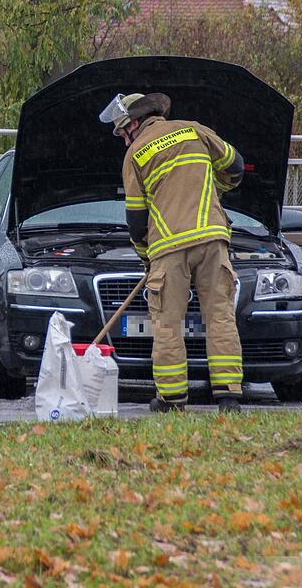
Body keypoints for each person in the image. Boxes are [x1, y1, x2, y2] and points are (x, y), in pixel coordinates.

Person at [101, 92, 246, 413]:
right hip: (212, 238)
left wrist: (146, 259)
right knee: (220, 316)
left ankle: (171, 400)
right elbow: (235, 165)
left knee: (167, 324)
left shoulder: (135, 155)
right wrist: (217, 188)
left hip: (167, 247)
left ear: (135, 124)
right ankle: (229, 396)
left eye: (124, 133)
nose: (125, 141)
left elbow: (137, 221)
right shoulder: (194, 130)